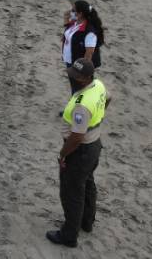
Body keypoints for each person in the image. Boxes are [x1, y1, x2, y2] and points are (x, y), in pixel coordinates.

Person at [46, 58, 112, 248]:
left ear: (85, 78)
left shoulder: (82, 104)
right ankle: (87, 222)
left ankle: (69, 235)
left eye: (76, 76)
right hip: (95, 144)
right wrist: (98, 116)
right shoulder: (98, 85)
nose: (72, 79)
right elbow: (109, 97)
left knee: (72, 192)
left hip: (80, 151)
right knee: (88, 184)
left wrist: (63, 154)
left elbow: (76, 137)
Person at [61, 0, 105, 92]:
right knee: (75, 89)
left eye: (73, 10)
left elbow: (89, 54)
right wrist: (66, 18)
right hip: (71, 61)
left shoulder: (89, 32)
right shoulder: (75, 23)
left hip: (79, 66)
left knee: (82, 91)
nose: (70, 12)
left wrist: (82, 72)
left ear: (80, 14)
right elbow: (69, 33)